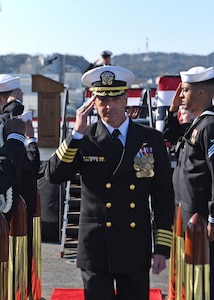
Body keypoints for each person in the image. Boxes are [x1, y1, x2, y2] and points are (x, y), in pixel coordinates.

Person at [45, 65, 175, 300]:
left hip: (134, 245)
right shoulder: (83, 139)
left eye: (115, 98)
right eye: (102, 99)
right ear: (93, 103)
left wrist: (161, 248)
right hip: (96, 246)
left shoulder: (151, 139)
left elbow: (163, 196)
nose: (109, 106)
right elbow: (53, 175)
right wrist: (74, 135)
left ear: (126, 99)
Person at [171, 66, 214, 298]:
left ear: (201, 93)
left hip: (202, 221)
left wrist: (213, 218)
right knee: (194, 282)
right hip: (189, 216)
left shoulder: (210, 126)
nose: (182, 95)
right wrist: (172, 109)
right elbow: (169, 135)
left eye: (186, 90)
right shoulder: (199, 124)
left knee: (205, 282)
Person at [0, 74, 40, 298]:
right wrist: (27, 138)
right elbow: (31, 162)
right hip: (11, 219)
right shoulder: (8, 133)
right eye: (17, 98)